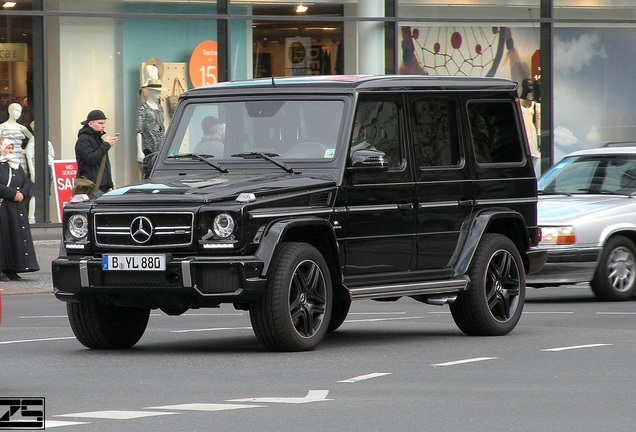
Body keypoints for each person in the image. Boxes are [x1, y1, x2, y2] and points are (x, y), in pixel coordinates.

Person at [0, 138, 39, 282]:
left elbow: (26, 181)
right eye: (8, 148)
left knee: (15, 236)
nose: (11, 151)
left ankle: (13, 269)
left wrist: (23, 193)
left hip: (16, 207)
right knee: (3, 238)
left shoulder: (16, 165)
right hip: (4, 207)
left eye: (12, 148)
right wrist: (13, 194)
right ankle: (2, 269)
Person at [0, 103, 35, 221]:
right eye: (15, 111)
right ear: (9, 111)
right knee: (7, 180)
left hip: (18, 157)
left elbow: (32, 138)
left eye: (20, 111)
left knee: (21, 180)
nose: (18, 114)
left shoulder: (21, 128)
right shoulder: (3, 127)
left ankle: (22, 209)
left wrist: (26, 150)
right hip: (4, 157)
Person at [75, 109, 118, 197]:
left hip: (103, 188)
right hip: (90, 187)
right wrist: (106, 145)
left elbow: (105, 165)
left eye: (104, 123)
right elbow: (91, 159)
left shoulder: (99, 140)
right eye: (100, 123)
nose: (103, 126)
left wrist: (109, 185)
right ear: (90, 124)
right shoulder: (83, 140)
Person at [136, 79, 165, 165]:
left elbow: (162, 126)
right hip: (149, 148)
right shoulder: (143, 109)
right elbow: (139, 131)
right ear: (151, 91)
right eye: (157, 91)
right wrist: (139, 151)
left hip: (161, 147)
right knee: (149, 172)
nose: (159, 93)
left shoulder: (160, 108)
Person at [519, 78, 541, 176]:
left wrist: (538, 136)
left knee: (533, 156)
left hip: (531, 131)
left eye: (532, 85)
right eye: (529, 85)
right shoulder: (517, 102)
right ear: (524, 86)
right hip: (522, 131)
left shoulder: (534, 104)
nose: (531, 88)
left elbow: (537, 122)